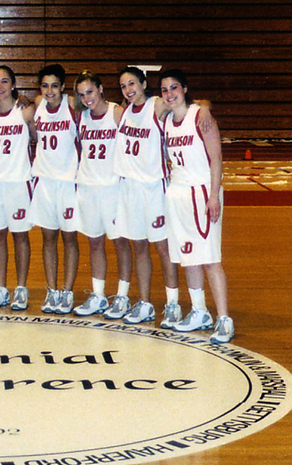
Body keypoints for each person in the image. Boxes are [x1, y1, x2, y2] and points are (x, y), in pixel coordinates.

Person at [160, 69, 233, 343]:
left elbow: (216, 159)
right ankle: (199, 311)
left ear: (185, 89)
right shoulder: (166, 120)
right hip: (177, 193)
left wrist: (214, 195)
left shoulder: (200, 116)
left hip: (201, 192)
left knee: (210, 258)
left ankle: (225, 319)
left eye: (174, 87)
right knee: (187, 256)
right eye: (165, 89)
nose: (170, 94)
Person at [108, 66, 181, 325]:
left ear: (143, 82)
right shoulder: (122, 110)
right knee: (139, 246)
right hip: (128, 188)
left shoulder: (157, 106)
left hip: (153, 188)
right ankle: (145, 302)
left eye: (132, 83)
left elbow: (185, 103)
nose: (128, 90)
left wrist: (204, 107)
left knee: (162, 248)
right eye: (123, 86)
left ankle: (172, 304)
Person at [72, 70, 134, 316]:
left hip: (112, 187)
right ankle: (98, 295)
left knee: (120, 242)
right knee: (94, 242)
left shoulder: (116, 113)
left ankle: (122, 295)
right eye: (81, 94)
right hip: (88, 187)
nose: (87, 98)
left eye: (90, 91)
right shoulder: (81, 116)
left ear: (100, 89)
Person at [0, 65, 37, 310]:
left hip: (17, 181)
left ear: (13, 84)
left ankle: (20, 288)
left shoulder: (25, 111)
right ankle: (1, 288)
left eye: (4, 81)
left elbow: (36, 137)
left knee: (21, 236)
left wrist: (28, 100)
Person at [29, 64, 80, 314]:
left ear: (63, 87)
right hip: (44, 182)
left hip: (68, 182)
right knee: (48, 239)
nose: (50, 91)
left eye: (55, 86)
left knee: (69, 238)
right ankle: (52, 290)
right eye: (45, 85)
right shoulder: (38, 104)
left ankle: (67, 291)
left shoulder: (73, 106)